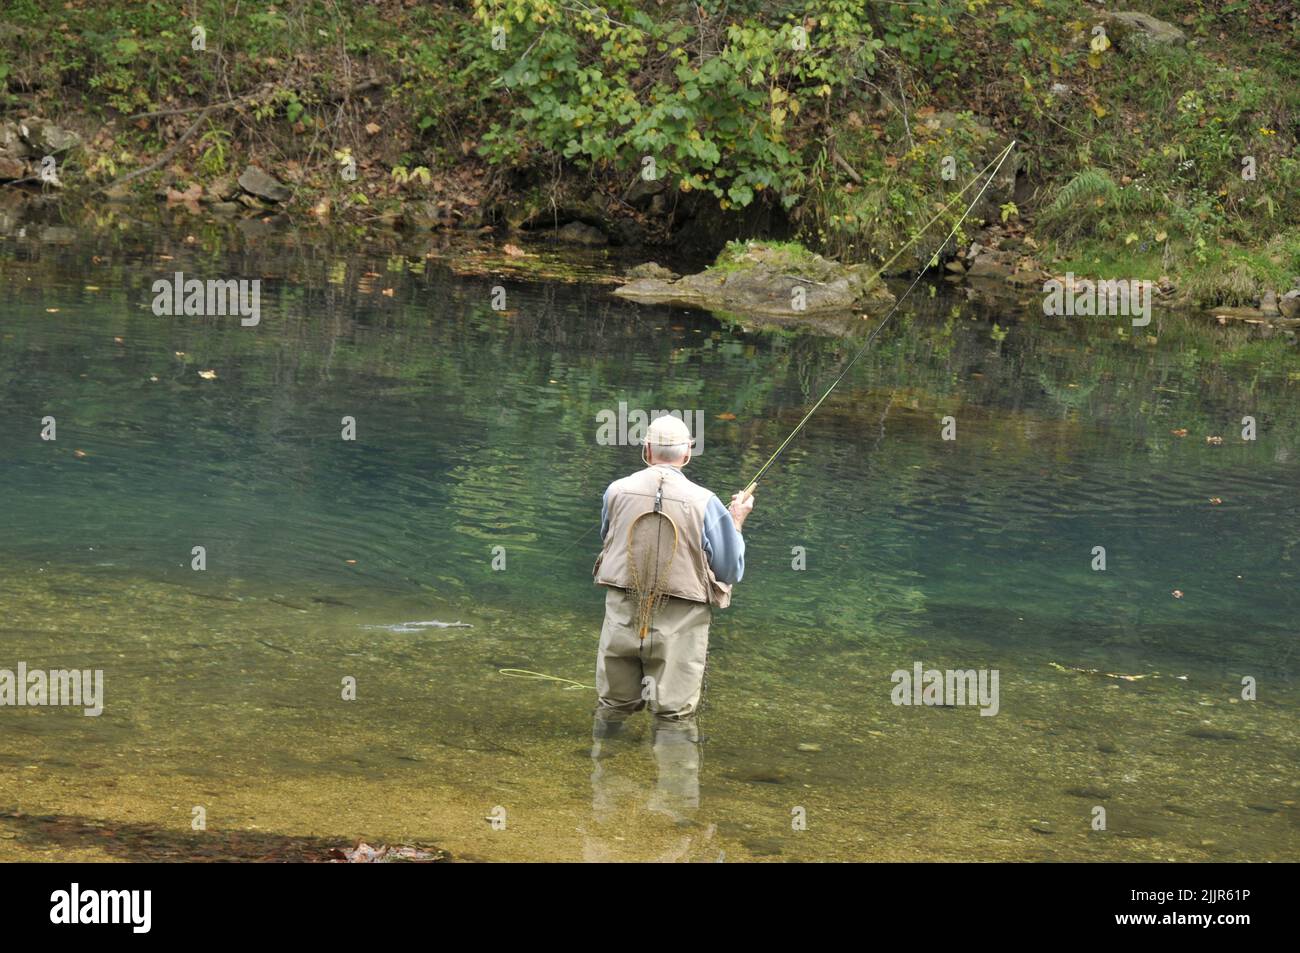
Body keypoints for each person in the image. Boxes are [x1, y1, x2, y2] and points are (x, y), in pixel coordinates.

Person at [591, 413, 754, 737]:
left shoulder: (615, 491)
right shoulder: (707, 502)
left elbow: (608, 540)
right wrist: (735, 522)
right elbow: (730, 569)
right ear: (687, 454)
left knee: (612, 704)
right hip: (681, 621)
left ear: (647, 451)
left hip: (623, 611)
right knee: (674, 715)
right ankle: (672, 783)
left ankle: (602, 768)